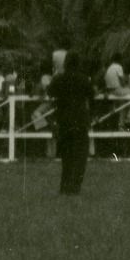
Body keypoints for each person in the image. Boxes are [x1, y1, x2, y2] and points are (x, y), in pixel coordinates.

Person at [48, 52, 95, 195]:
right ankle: (75, 187)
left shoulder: (59, 79)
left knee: (66, 156)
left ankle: (65, 186)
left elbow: (50, 92)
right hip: (80, 120)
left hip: (64, 120)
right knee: (80, 156)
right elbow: (92, 95)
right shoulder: (84, 79)